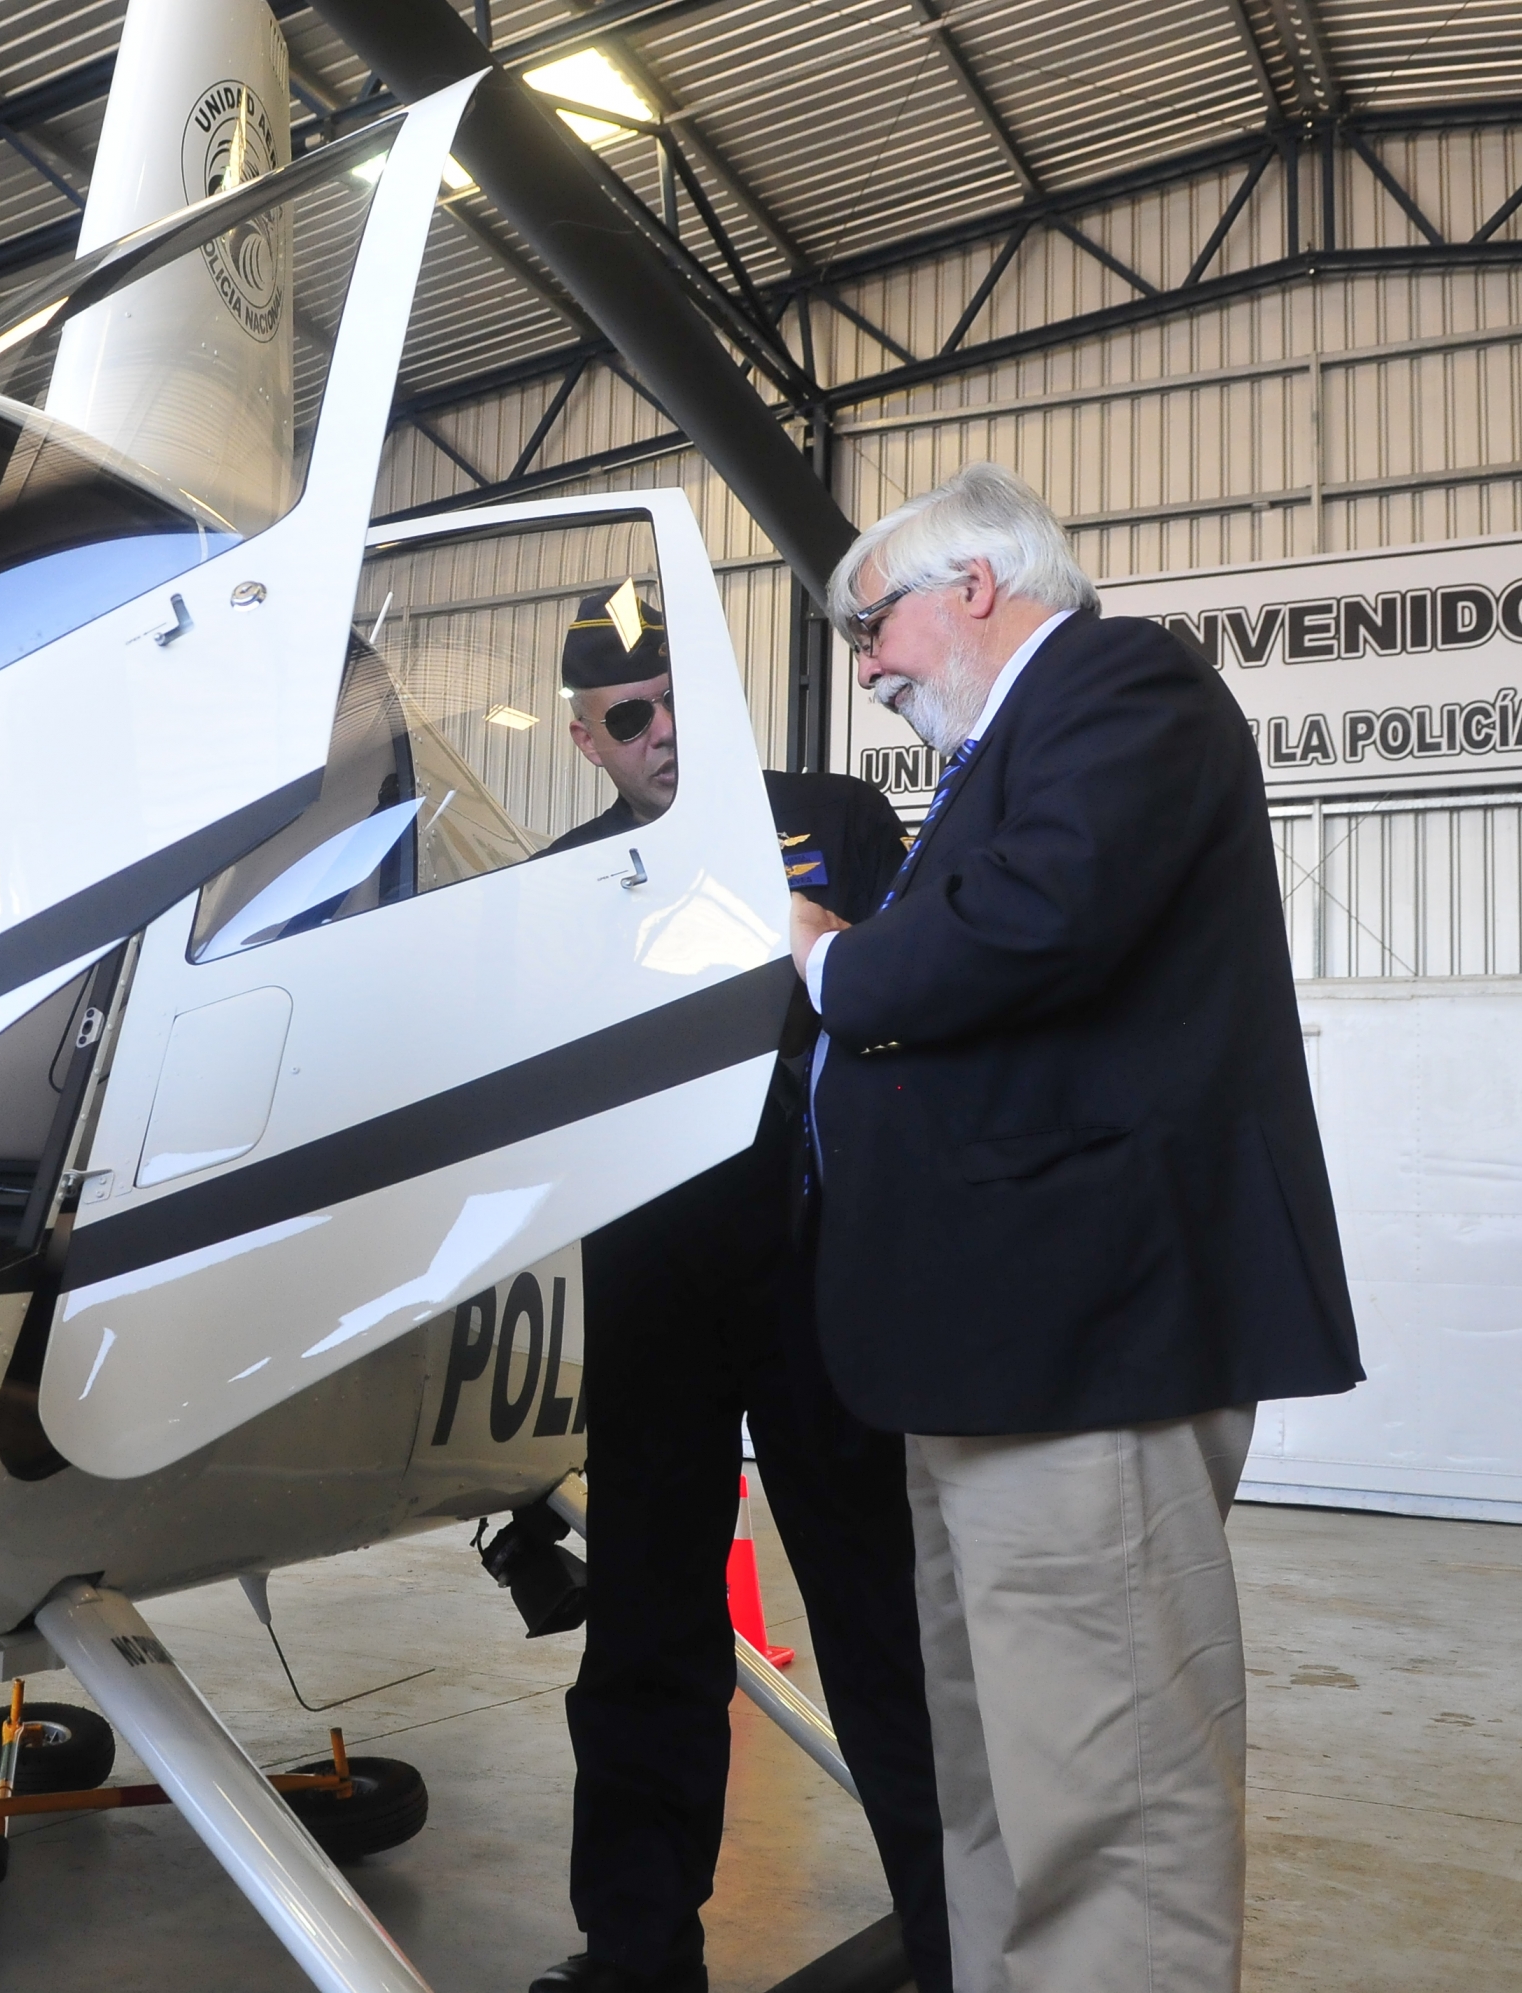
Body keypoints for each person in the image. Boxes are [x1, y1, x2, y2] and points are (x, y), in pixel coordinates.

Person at [788, 464, 1364, 1993]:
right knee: (1005, 1781)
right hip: (985, 1355)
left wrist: (829, 961)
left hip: (1080, 1345)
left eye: (874, 624)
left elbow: (1040, 918)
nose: (868, 665)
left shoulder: (1123, 682)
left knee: (1109, 1797)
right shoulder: (1001, 756)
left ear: (973, 584)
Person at [533, 584, 955, 1993]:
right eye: (634, 716)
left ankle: (966, 1937)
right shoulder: (563, 877)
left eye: (683, 702)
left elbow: (906, 994)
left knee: (879, 1614)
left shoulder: (834, 817)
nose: (667, 734)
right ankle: (639, 1953)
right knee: (650, 1629)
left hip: (819, 1269)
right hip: (654, 1289)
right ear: (590, 736)